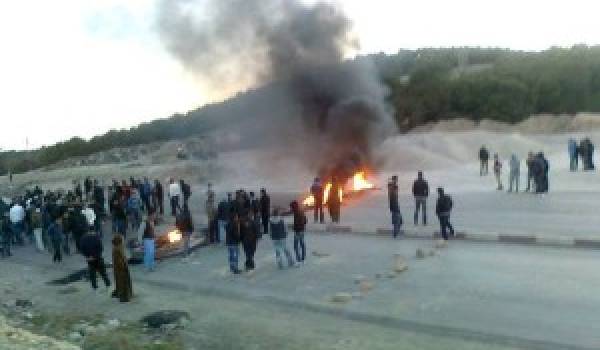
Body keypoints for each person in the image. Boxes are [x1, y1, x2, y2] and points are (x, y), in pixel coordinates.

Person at [111, 234, 133, 302]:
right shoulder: (117, 249)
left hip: (121, 269)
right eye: (122, 240)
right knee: (122, 284)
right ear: (119, 241)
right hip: (121, 270)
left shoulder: (119, 248)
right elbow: (119, 261)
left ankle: (125, 295)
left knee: (122, 283)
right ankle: (123, 298)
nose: (123, 241)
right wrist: (124, 266)